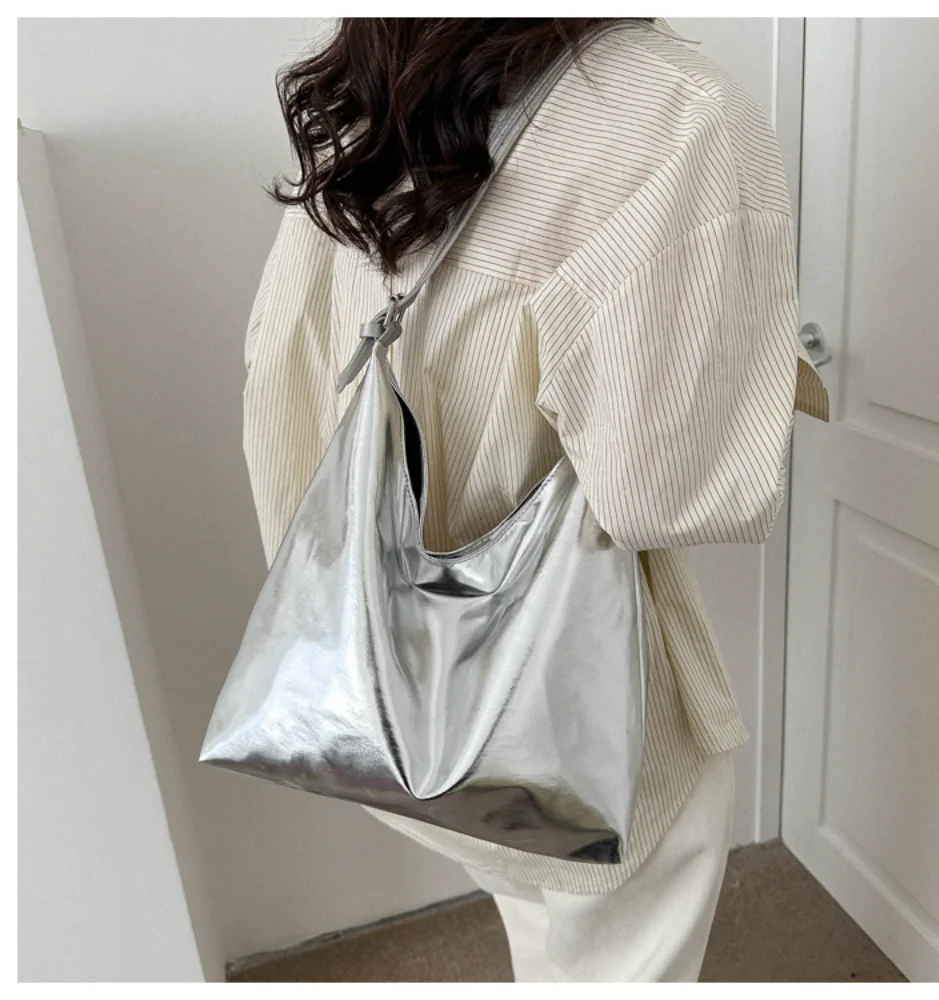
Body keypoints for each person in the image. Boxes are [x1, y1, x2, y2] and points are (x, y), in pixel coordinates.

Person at [240, 17, 829, 982]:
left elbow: (282, 381)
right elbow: (665, 490)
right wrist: (757, 369)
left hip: (402, 695)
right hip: (585, 720)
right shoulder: (679, 111)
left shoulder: (367, 92)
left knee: (535, 923)